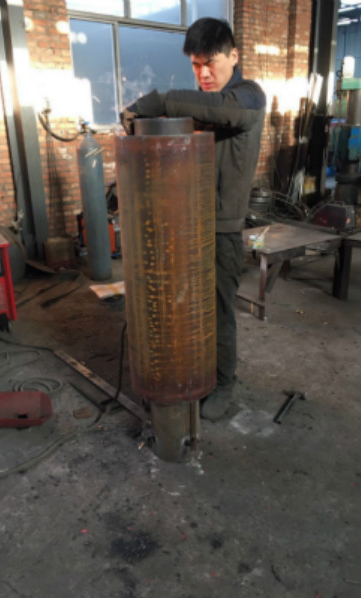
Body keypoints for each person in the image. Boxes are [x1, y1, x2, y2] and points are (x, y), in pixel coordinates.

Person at [121, 17, 266, 421]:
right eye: (196, 65)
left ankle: (224, 384)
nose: (203, 73)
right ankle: (184, 377)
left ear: (233, 56)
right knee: (179, 308)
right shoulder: (201, 105)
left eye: (210, 63)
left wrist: (159, 101)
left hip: (221, 232)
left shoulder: (247, 98)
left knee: (216, 314)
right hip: (181, 228)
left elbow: (222, 110)